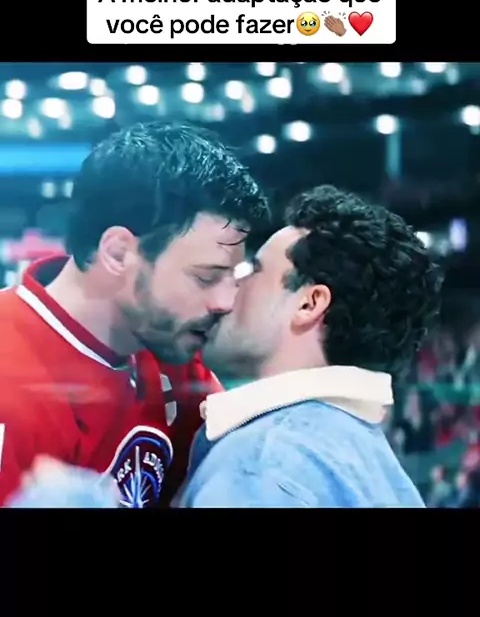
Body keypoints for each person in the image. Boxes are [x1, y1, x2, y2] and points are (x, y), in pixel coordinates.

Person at [0, 121, 269, 507]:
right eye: (206, 277)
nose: (225, 301)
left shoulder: (168, 344)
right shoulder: (9, 386)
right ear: (118, 253)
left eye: (232, 277)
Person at [179, 185, 443, 507]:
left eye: (254, 271)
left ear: (309, 304)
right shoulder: (379, 467)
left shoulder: (263, 466)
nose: (232, 287)